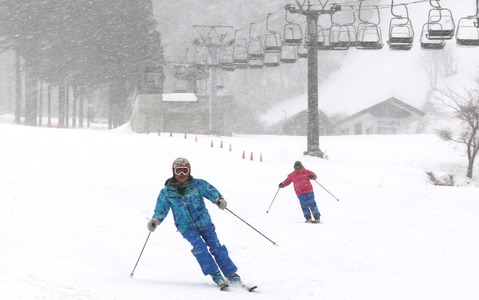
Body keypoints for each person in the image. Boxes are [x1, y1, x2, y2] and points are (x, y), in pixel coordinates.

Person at [147, 157, 241, 288]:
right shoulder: (167, 192)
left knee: (216, 247)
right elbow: (161, 209)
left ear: (189, 171)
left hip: (205, 223)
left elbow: (211, 192)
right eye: (178, 171)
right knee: (200, 248)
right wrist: (155, 221)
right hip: (186, 227)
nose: (181, 175)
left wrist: (219, 199)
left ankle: (231, 274)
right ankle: (215, 274)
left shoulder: (198, 184)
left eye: (184, 171)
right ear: (173, 172)